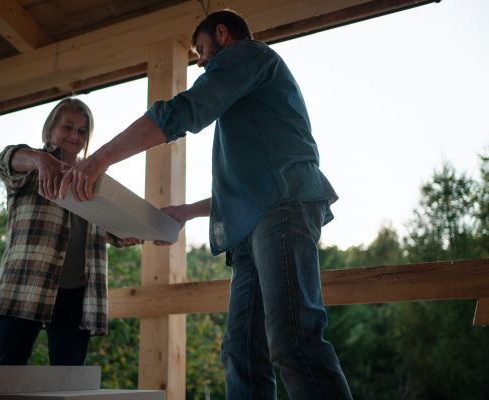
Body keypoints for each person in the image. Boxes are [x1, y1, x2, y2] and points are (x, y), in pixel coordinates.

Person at [60, 10, 352, 399]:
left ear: (222, 33)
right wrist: (184, 212)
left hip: (282, 208)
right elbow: (245, 189)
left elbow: (181, 111)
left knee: (293, 340)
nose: (199, 59)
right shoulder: (246, 101)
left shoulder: (248, 55)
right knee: (241, 352)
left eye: (200, 49)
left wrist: (99, 159)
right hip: (251, 225)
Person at [0, 97, 140, 366]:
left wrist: (134, 233)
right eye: (67, 127)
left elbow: (111, 230)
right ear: (50, 130)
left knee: (69, 381)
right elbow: (5, 159)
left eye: (82, 131)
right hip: (25, 284)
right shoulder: (29, 168)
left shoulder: (96, 177)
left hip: (77, 293)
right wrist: (39, 159)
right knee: (7, 374)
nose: (74, 135)